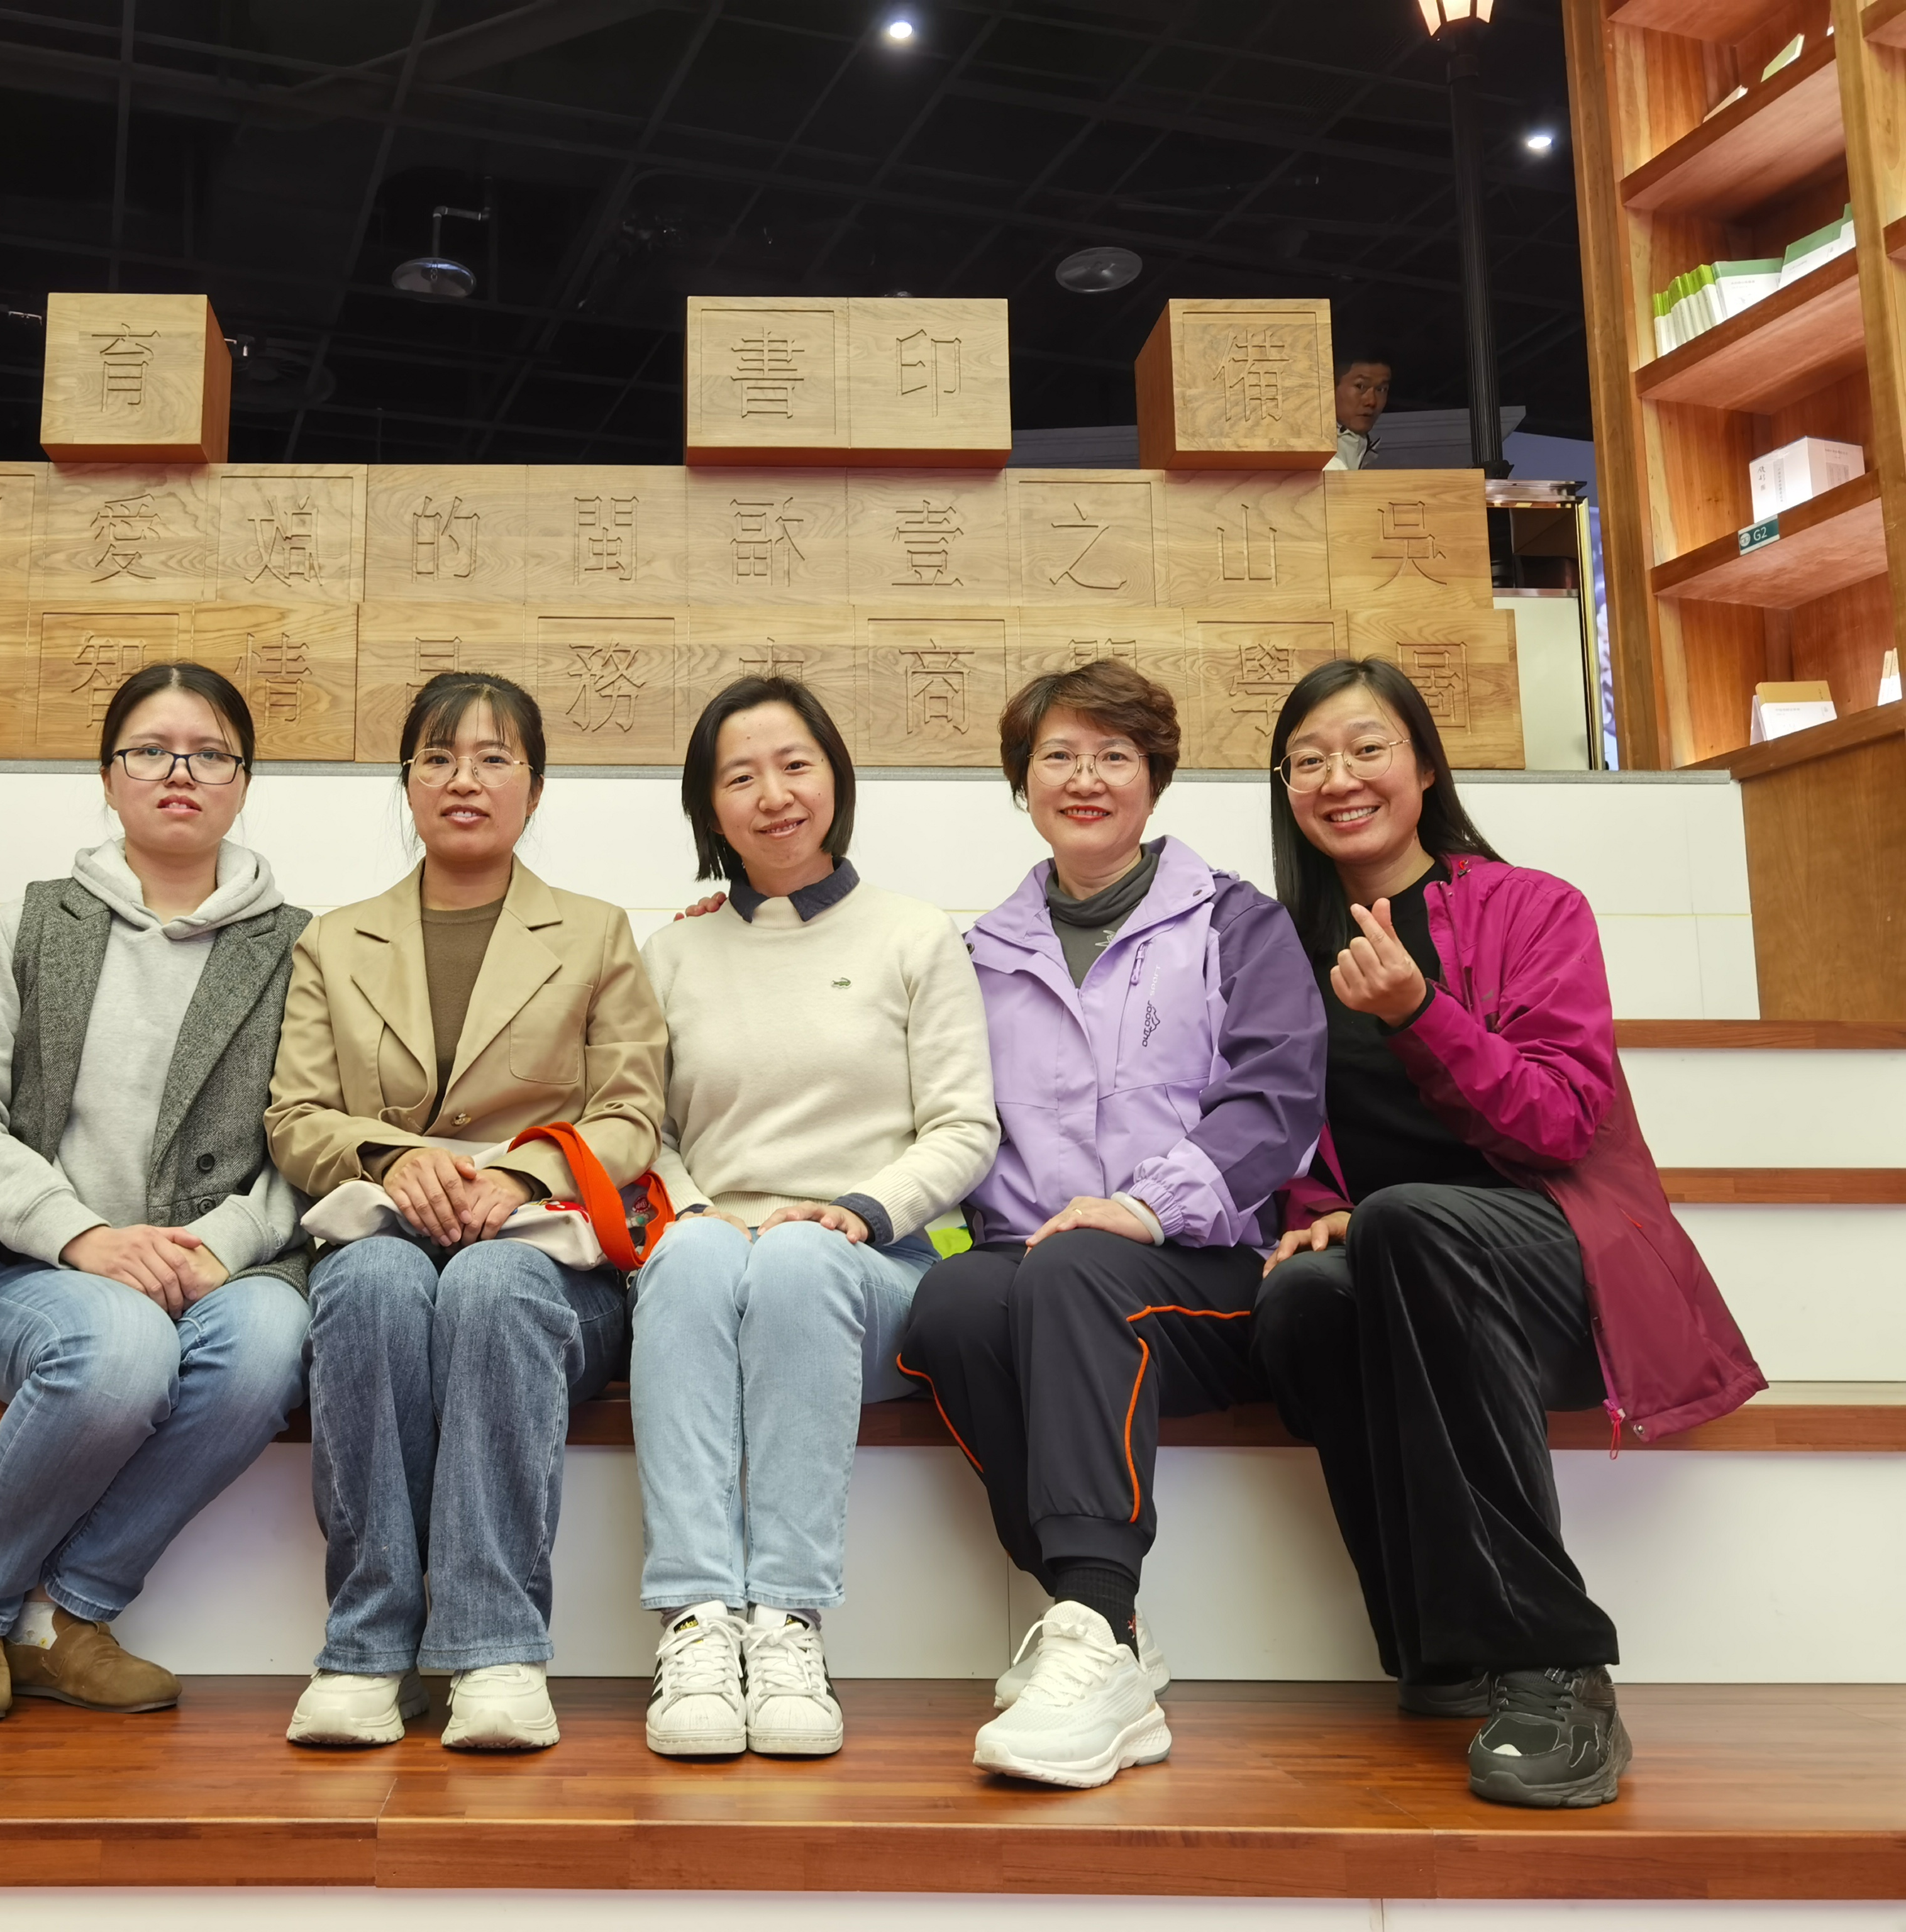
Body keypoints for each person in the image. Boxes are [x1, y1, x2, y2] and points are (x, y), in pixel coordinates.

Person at [1251, 657, 1764, 1810]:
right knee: (1301, 1299)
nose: (1339, 778)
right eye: (1308, 760)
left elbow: (1561, 1122)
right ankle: (1438, 1646)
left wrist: (1418, 1013)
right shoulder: (1280, 948)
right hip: (1406, 1268)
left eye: (1367, 748)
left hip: (1557, 1264)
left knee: (1410, 1224)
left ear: (1425, 768)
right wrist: (1313, 1214)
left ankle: (1554, 1663)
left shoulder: (1532, 908)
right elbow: (1280, 1133)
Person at [897, 660, 1325, 1789]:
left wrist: (1144, 1206)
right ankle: (1102, 1633)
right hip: (1039, 1272)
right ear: (1022, 782)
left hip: (1204, 1277)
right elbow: (928, 1109)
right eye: (1059, 757)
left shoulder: (1237, 921)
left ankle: (1092, 1614)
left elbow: (1277, 1100)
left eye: (1113, 756)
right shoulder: (977, 953)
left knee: (1077, 1268)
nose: (1085, 779)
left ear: (1154, 778)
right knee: (952, 1302)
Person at [0, 663, 313, 1724]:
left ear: (243, 781)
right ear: (107, 773)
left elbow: (306, 1136)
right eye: (151, 750)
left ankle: (65, 1613)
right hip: (29, 1269)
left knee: (270, 1343)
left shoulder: (299, 947)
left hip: (218, 1267)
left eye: (210, 754)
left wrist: (219, 1244)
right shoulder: (35, 924)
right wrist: (81, 1235)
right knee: (121, 1348)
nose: (180, 772)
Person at [268, 672, 666, 1753]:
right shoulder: (334, 941)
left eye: (495, 758)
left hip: (545, 1263)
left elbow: (632, 1113)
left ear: (534, 786)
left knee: (492, 1284)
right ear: (407, 782)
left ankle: (496, 1646)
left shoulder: (596, 934)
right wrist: (394, 1158)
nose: (465, 780)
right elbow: (296, 1115)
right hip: (388, 1234)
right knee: (369, 1281)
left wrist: (527, 1173)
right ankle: (368, 1647)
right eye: (439, 757)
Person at [629, 677, 997, 1760]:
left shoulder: (915, 936)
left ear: (835, 777)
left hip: (871, 1265)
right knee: (689, 1258)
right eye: (740, 777)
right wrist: (701, 1214)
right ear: (709, 807)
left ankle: (789, 1622)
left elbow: (964, 1127)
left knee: (794, 1259)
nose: (773, 795)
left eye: (795, 765)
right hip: (714, 1261)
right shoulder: (674, 953)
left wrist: (855, 1211)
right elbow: (644, 1130)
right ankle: (697, 1620)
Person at [1327, 346, 1392, 470]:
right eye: (1360, 386)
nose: (1371, 401)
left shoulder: (1365, 447)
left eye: (1381, 389)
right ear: (1330, 387)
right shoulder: (1314, 450)